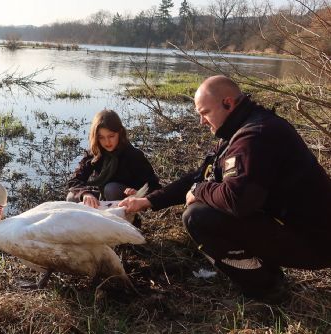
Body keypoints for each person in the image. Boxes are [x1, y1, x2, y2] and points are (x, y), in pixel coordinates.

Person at [119, 75, 331, 301]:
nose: (201, 121)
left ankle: (267, 288)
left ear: (228, 103)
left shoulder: (255, 136)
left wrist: (200, 190)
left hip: (316, 242)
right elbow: (201, 175)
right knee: (207, 204)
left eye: (205, 113)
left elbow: (238, 201)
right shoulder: (239, 129)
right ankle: (265, 273)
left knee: (198, 217)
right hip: (300, 229)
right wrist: (149, 201)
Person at [67, 109, 161, 210]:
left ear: (120, 133)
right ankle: (93, 223)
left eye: (111, 136)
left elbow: (154, 186)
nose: (107, 142)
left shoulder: (133, 155)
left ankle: (123, 223)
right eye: (101, 137)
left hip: (128, 204)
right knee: (72, 197)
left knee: (111, 188)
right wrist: (85, 194)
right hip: (102, 198)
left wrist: (138, 193)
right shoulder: (95, 152)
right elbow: (75, 180)